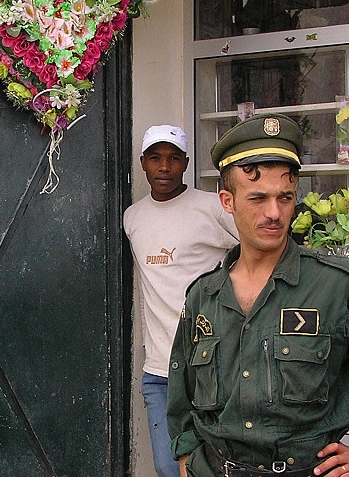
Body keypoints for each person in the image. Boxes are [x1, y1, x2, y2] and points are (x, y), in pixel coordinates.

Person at [167, 113, 349, 477]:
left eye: (285, 198)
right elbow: (180, 392)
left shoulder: (335, 286)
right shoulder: (204, 296)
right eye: (258, 198)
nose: (274, 213)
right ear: (227, 200)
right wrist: (187, 459)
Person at [124, 124, 238, 477]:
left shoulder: (213, 208)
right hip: (159, 372)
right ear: (143, 163)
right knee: (168, 467)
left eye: (173, 159)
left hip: (210, 367)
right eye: (155, 158)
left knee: (217, 465)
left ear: (186, 163)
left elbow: (257, 255)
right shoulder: (133, 218)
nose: (164, 167)